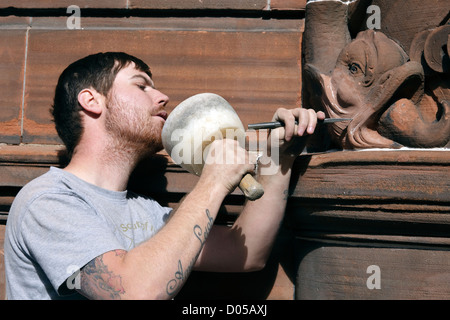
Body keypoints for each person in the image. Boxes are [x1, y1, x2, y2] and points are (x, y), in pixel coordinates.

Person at [4, 52, 325, 300]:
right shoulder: (47, 200)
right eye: (141, 85)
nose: (162, 97)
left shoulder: (145, 211)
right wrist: (214, 181)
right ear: (91, 101)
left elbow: (247, 252)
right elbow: (135, 292)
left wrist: (278, 159)